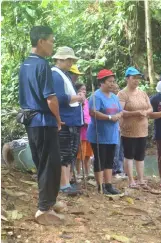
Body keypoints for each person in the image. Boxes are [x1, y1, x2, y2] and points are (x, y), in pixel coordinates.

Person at [18, 26, 64, 225]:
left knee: (42, 162)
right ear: (41, 41)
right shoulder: (42, 65)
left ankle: (48, 202)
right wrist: (58, 118)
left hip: (31, 121)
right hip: (44, 120)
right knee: (50, 164)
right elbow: (50, 98)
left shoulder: (25, 64)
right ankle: (44, 209)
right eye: (52, 41)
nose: (52, 45)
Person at [52, 46, 85, 196]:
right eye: (68, 60)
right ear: (60, 59)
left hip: (71, 120)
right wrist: (77, 98)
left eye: (71, 60)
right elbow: (58, 97)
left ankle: (66, 182)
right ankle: (63, 184)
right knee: (63, 153)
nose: (70, 62)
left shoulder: (63, 75)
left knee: (70, 153)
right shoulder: (55, 75)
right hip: (64, 120)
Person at [87, 69, 122, 194]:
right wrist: (109, 117)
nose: (112, 84)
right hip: (99, 133)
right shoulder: (96, 96)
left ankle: (109, 184)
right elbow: (92, 112)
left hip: (112, 133)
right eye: (109, 82)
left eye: (113, 81)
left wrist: (118, 115)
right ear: (102, 82)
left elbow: (120, 110)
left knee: (110, 159)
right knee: (100, 159)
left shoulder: (114, 97)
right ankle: (100, 185)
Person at [117, 67, 152, 188]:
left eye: (138, 78)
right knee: (129, 155)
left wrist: (146, 112)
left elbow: (150, 108)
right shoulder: (122, 94)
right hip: (128, 130)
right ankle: (131, 180)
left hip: (142, 129)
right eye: (133, 78)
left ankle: (141, 179)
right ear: (127, 79)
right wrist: (136, 113)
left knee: (140, 155)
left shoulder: (142, 93)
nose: (136, 81)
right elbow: (120, 111)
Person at [75, 83, 94, 180]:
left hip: (88, 132)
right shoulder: (76, 102)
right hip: (81, 132)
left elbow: (90, 114)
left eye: (85, 90)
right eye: (81, 90)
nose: (83, 92)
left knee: (88, 154)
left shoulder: (87, 101)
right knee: (80, 155)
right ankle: (78, 173)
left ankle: (87, 172)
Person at [111, 83, 125, 179]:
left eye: (117, 88)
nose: (117, 90)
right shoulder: (110, 99)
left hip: (121, 128)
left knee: (120, 150)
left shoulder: (117, 99)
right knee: (115, 149)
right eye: (115, 89)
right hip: (114, 127)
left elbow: (121, 112)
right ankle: (114, 170)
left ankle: (120, 169)